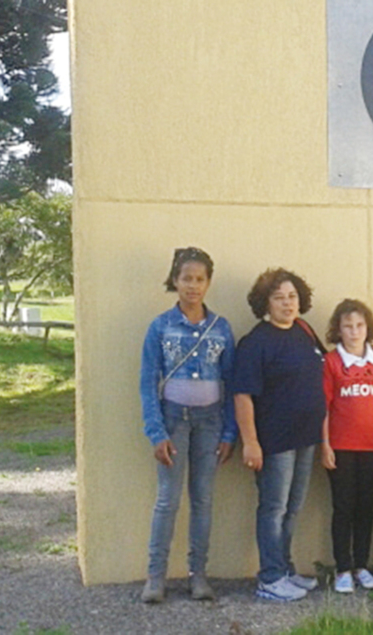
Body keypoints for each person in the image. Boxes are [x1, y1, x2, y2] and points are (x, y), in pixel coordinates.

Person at [139, 247, 237, 603]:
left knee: (203, 500)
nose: (193, 286)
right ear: (175, 281)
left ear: (208, 283)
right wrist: (156, 432)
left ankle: (199, 576)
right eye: (186, 279)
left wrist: (229, 433)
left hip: (210, 424)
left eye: (200, 279)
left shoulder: (221, 327)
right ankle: (155, 577)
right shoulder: (160, 326)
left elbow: (231, 385)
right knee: (167, 500)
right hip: (173, 421)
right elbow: (148, 382)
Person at [232, 268, 326, 602]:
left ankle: (285, 570)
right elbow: (242, 395)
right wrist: (251, 442)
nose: (287, 303)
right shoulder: (255, 343)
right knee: (273, 508)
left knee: (293, 507)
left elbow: (327, 366)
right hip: (274, 442)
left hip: (306, 438)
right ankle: (269, 579)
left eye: (292, 296)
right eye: (279, 298)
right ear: (265, 303)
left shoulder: (304, 330)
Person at [320, 299, 373, 593]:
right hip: (339, 447)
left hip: (370, 447)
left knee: (365, 507)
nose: (354, 332)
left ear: (368, 328)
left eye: (359, 325)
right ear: (338, 330)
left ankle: (361, 566)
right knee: (343, 507)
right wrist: (324, 444)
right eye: (348, 326)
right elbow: (323, 406)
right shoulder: (331, 362)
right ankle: (342, 569)